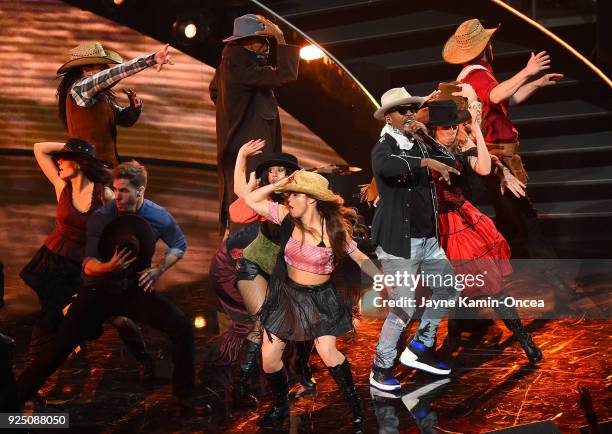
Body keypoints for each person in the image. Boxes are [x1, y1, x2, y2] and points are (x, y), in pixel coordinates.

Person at [17, 161, 208, 415]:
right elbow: (88, 266)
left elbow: (178, 245)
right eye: (115, 190)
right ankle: (11, 402)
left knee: (181, 326)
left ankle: (184, 397)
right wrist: (109, 267)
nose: (116, 196)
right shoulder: (102, 217)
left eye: (124, 191)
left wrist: (159, 269)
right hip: (99, 290)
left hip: (134, 290)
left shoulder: (158, 215)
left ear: (141, 191)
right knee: (58, 346)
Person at [442, 19, 577, 305]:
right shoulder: (476, 73)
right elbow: (497, 94)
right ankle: (551, 283)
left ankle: (485, 287)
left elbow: (506, 100)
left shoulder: (475, 74)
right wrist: (527, 70)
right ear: (486, 48)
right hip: (494, 159)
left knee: (508, 221)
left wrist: (536, 82)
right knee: (524, 220)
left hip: (494, 157)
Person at [244, 170, 386, 432]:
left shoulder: (332, 229)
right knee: (269, 359)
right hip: (287, 295)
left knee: (328, 353)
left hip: (320, 299)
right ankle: (280, 406)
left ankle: (355, 408)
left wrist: (383, 280)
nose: (289, 200)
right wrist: (277, 184)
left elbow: (359, 258)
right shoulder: (286, 217)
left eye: (295, 195)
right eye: (288, 195)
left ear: (311, 199)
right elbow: (250, 200)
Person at [418, 95, 541, 364]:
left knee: (493, 284)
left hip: (462, 223)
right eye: (445, 128)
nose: (451, 132)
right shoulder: (423, 149)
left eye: (453, 127)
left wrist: (475, 130)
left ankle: (524, 339)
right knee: (438, 291)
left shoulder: (461, 144)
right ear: (434, 129)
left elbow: (484, 167)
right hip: (434, 225)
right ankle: (431, 350)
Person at [19, 140, 154, 376]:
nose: (59, 161)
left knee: (118, 318)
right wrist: (73, 147)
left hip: (90, 266)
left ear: (79, 164)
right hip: (56, 263)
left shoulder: (105, 196)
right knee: (47, 322)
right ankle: (34, 382)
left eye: (65, 158)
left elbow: (129, 225)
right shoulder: (62, 186)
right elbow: (39, 148)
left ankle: (144, 358)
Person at [368, 87, 459, 393]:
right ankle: (381, 368)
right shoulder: (384, 144)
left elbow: (448, 159)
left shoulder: (417, 142)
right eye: (402, 110)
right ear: (389, 117)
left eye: (411, 109)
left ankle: (421, 344)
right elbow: (386, 168)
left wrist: (428, 139)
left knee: (448, 287)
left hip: (428, 239)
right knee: (403, 308)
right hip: (399, 243)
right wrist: (424, 163)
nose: (408, 114)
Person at [229, 141, 315, 406]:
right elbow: (238, 204)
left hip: (288, 271)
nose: (276, 175)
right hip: (255, 265)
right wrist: (242, 156)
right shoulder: (263, 197)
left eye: (281, 170)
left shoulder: (299, 199)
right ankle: (240, 389)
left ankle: (303, 376)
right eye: (272, 171)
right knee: (262, 322)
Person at [209, 14, 300, 235]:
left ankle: (238, 243)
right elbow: (286, 75)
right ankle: (246, 248)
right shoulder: (240, 62)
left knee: (242, 195)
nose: (268, 46)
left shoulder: (230, 62)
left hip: (243, 138)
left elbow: (214, 91)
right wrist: (280, 38)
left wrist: (235, 108)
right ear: (245, 41)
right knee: (252, 195)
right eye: (262, 40)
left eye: (269, 40)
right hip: (251, 142)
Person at [56, 41, 174, 166]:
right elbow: (115, 73)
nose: (106, 68)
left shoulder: (100, 97)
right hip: (90, 169)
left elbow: (124, 119)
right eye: (101, 66)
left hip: (106, 167)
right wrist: (152, 59)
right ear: (86, 69)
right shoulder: (80, 88)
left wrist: (134, 108)